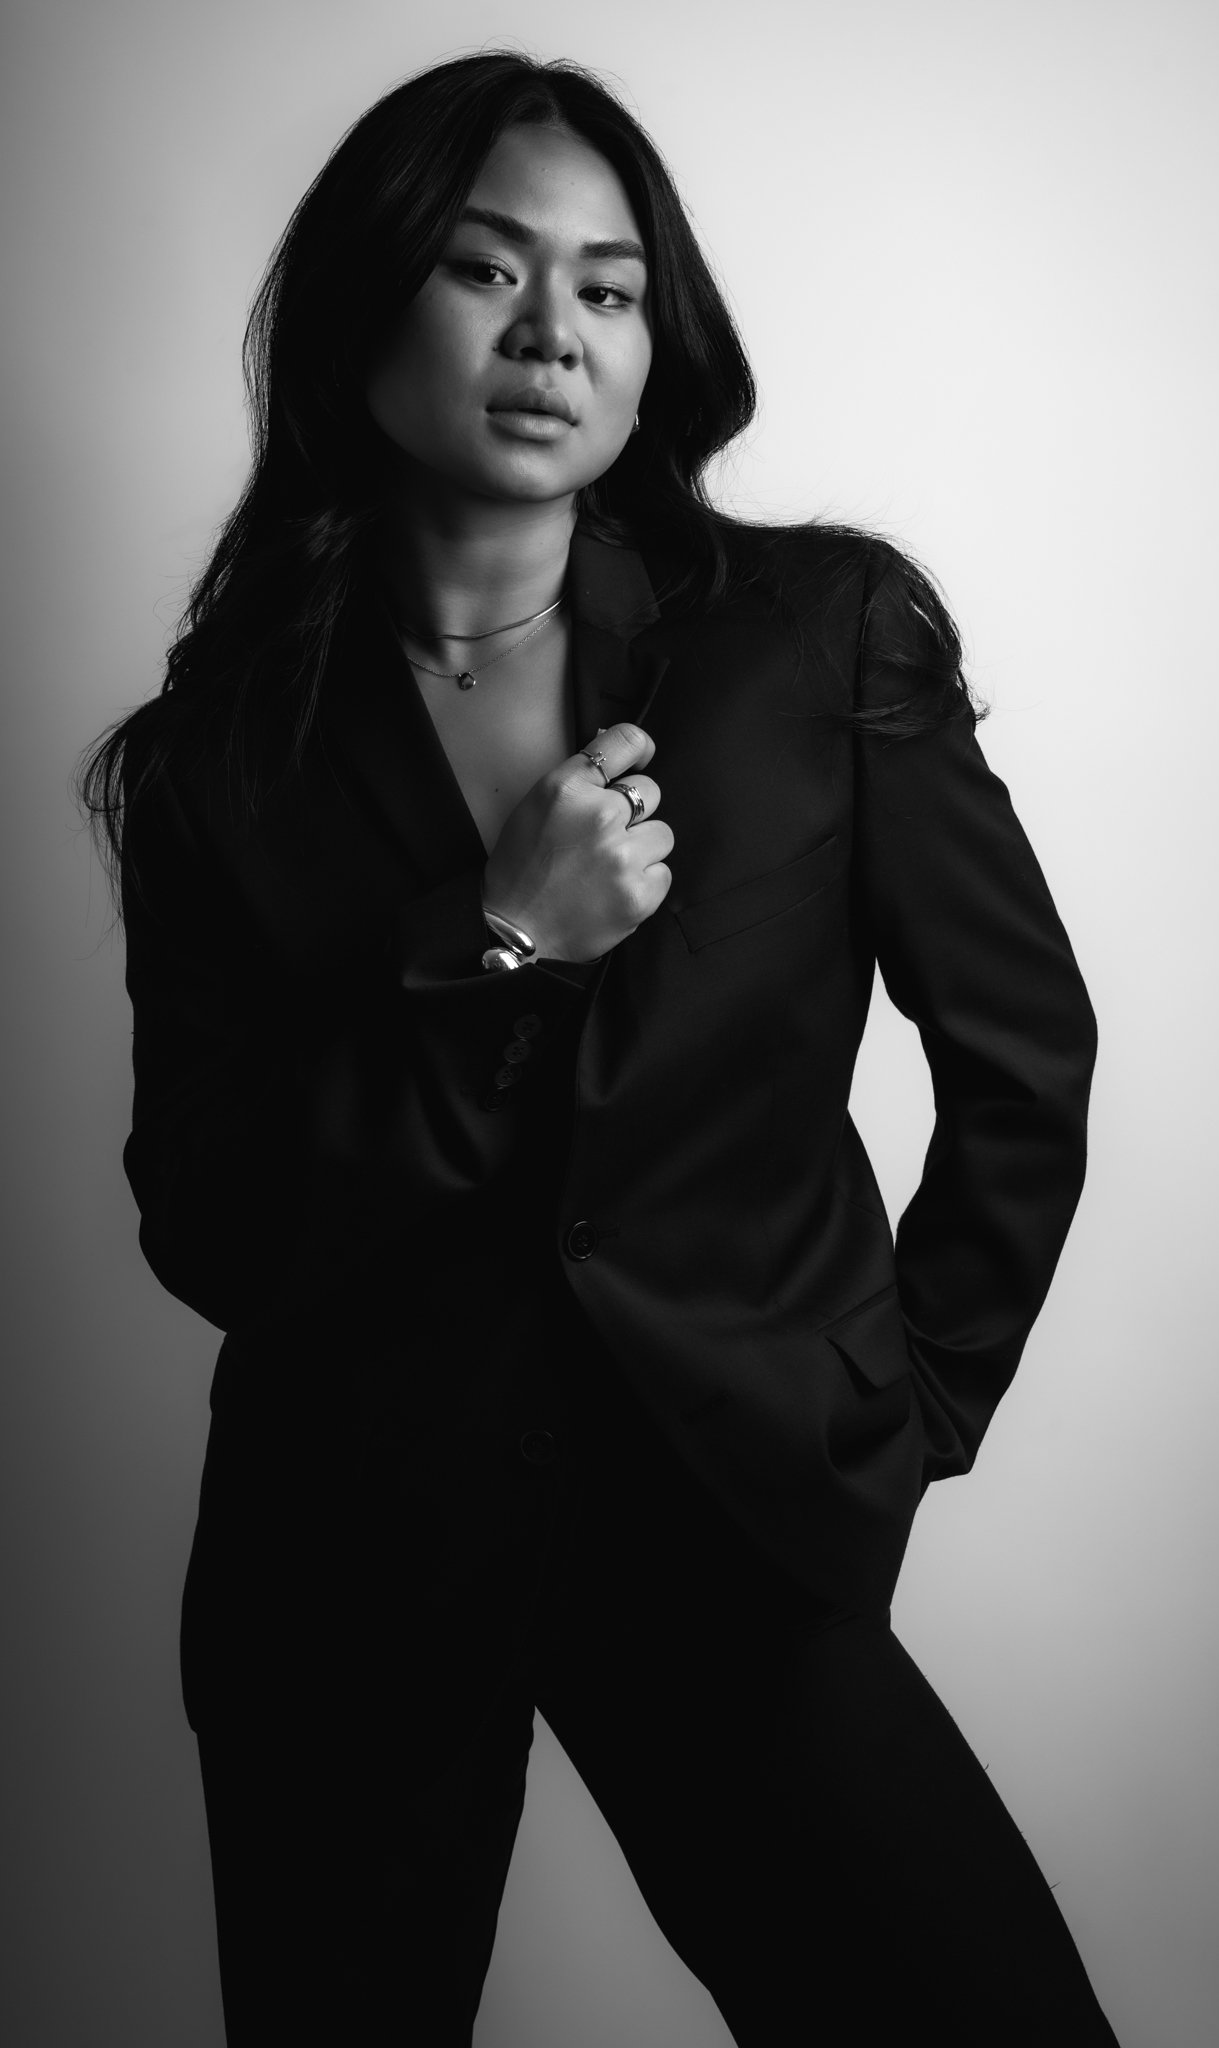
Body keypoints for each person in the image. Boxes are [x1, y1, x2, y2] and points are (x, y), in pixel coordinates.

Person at [81, 51, 1118, 2047]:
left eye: (611, 286)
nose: (556, 333)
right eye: (486, 272)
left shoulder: (812, 641)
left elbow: (1020, 1053)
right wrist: (488, 946)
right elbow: (217, 1223)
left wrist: (899, 1409)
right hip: (351, 1558)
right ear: (363, 305)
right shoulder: (218, 761)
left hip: (731, 1522)